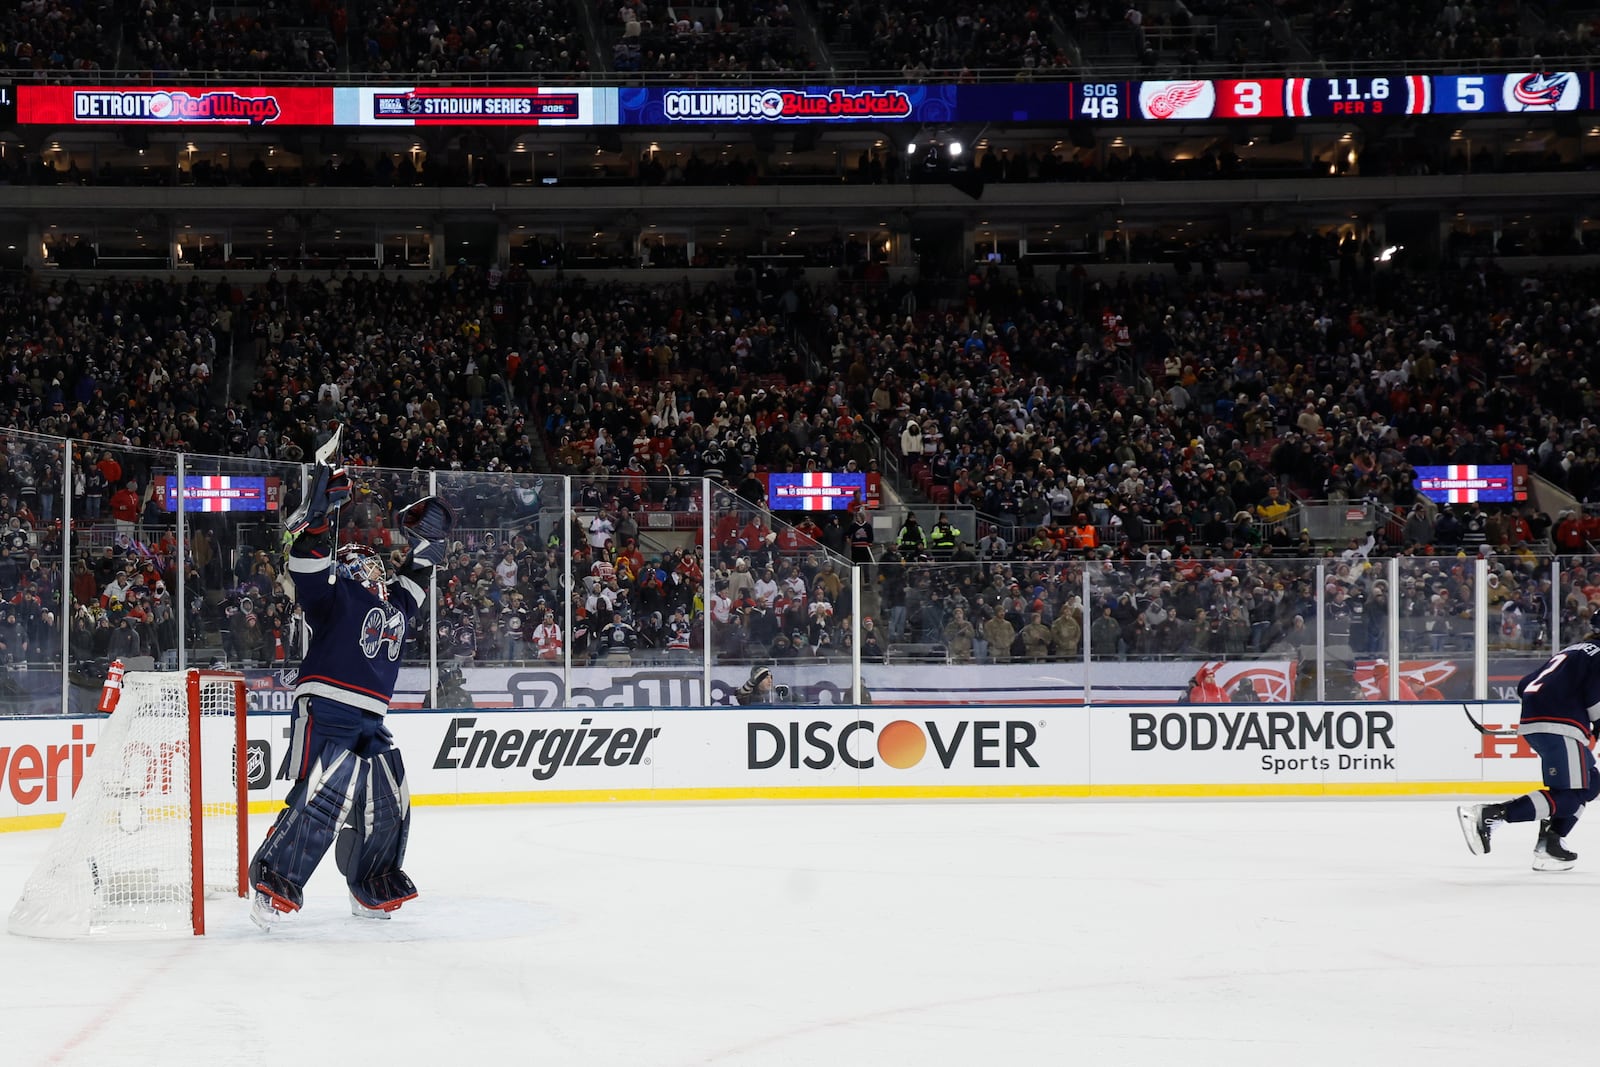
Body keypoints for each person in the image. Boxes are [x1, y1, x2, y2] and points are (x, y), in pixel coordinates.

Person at [248, 457, 453, 930]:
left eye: (377, 565)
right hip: (326, 704)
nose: (375, 570)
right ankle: (273, 881)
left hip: (371, 718)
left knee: (389, 795)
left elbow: (419, 574)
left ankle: (371, 882)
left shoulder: (395, 604)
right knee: (322, 791)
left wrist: (429, 544)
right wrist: (319, 520)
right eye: (365, 563)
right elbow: (308, 566)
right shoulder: (335, 595)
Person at [1458, 611, 1600, 871]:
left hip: (1542, 722)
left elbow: (1525, 684)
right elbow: (1595, 695)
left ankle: (1551, 843)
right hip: (1562, 725)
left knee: (1592, 781)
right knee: (1570, 797)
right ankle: (1490, 815)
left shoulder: (1572, 651)